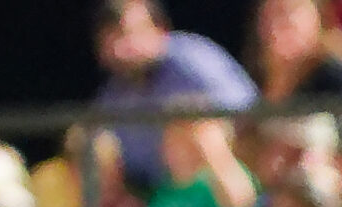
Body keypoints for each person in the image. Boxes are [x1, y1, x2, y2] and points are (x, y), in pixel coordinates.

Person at [94, 0, 259, 191]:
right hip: (162, 196)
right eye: (110, 40)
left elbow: (249, 112)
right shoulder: (112, 95)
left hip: (226, 185)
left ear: (160, 30)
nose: (120, 50)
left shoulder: (190, 61)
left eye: (127, 34)